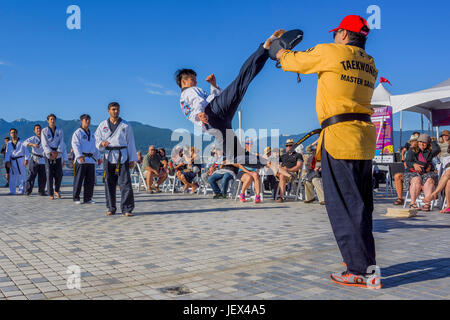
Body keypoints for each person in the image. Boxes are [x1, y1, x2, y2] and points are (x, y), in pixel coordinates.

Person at [275, 15, 381, 288]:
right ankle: (366, 264)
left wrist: (277, 48)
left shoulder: (330, 51)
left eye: (337, 33)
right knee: (361, 206)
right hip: (364, 138)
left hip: (340, 137)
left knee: (343, 206)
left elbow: (292, 61)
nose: (334, 36)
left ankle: (358, 270)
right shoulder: (370, 65)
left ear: (344, 34)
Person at [176, 29, 285, 160]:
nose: (196, 81)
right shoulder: (190, 91)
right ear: (184, 81)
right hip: (213, 113)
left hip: (214, 125)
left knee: (236, 155)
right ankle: (264, 48)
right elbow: (198, 102)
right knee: (241, 81)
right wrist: (200, 112)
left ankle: (265, 164)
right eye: (193, 79)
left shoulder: (182, 100)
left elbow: (208, 101)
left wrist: (214, 86)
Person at [95, 102, 137, 217]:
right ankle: (111, 207)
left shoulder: (125, 125)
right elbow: (97, 139)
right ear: (108, 110)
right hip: (108, 155)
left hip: (122, 155)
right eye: (113, 109)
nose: (116, 111)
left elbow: (131, 143)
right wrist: (101, 143)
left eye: (117, 109)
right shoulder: (102, 125)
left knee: (125, 183)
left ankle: (127, 208)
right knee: (109, 183)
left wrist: (132, 159)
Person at [403, 134, 440, 211]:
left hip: (425, 173)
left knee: (429, 180)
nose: (422, 144)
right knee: (416, 179)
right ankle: (412, 203)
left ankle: (427, 203)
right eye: (420, 142)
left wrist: (432, 141)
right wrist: (414, 164)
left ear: (428, 143)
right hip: (412, 172)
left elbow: (437, 149)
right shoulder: (412, 150)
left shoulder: (429, 152)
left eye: (424, 142)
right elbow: (408, 161)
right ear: (417, 142)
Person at [71, 114, 101, 204]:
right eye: (86, 119)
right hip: (82, 159)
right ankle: (76, 197)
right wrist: (79, 156)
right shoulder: (78, 133)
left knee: (90, 180)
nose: (88, 121)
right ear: (81, 121)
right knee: (79, 179)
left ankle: (88, 198)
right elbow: (75, 145)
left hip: (91, 159)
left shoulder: (92, 133)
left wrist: (98, 157)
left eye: (89, 120)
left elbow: (95, 146)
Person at [41, 114, 65, 200]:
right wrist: (50, 152)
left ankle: (57, 190)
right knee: (49, 174)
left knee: (59, 174)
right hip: (48, 155)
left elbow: (62, 142)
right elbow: (44, 143)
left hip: (58, 154)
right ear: (48, 120)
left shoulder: (60, 130)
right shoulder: (44, 131)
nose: (52, 121)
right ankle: (51, 193)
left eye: (54, 119)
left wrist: (57, 152)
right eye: (51, 119)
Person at [393, 135, 418, 205]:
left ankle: (414, 200)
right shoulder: (410, 151)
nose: (413, 143)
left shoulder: (422, 151)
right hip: (409, 173)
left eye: (415, 141)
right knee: (397, 176)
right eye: (412, 141)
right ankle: (400, 198)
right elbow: (407, 162)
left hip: (418, 174)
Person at [23, 124, 47, 196]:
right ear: (34, 131)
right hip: (34, 159)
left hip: (43, 159)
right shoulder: (33, 138)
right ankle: (28, 191)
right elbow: (24, 143)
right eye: (37, 129)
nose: (38, 130)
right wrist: (32, 144)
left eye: (39, 128)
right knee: (31, 175)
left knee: (43, 176)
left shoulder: (45, 138)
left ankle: (41, 191)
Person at [4, 128, 29, 195]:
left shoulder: (22, 142)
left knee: (22, 175)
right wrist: (7, 161)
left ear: (17, 133)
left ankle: (21, 190)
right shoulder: (9, 143)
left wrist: (26, 159)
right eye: (12, 133)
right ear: (10, 134)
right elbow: (7, 153)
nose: (13, 134)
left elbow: (26, 150)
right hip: (12, 161)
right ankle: (12, 191)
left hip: (20, 160)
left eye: (14, 132)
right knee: (12, 176)